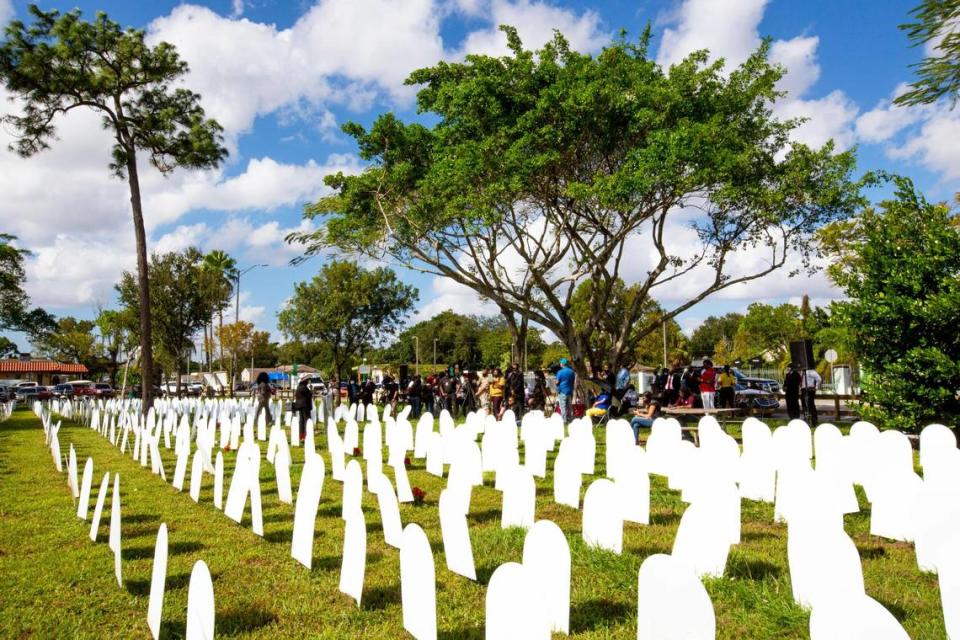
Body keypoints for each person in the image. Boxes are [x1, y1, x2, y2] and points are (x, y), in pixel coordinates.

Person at [555, 358, 576, 423]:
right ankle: (571, 419)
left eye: (560, 363)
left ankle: (564, 421)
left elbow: (557, 382)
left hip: (562, 391)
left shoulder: (560, 372)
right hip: (569, 391)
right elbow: (573, 381)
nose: (560, 364)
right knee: (570, 406)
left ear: (562, 364)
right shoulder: (572, 372)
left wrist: (555, 382)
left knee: (563, 407)